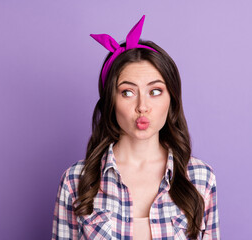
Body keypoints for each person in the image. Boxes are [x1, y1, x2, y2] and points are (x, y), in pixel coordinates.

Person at [52, 15, 220, 240]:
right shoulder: (76, 181)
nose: (143, 107)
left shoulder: (199, 178)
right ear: (111, 101)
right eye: (128, 92)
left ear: (171, 99)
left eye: (155, 91)